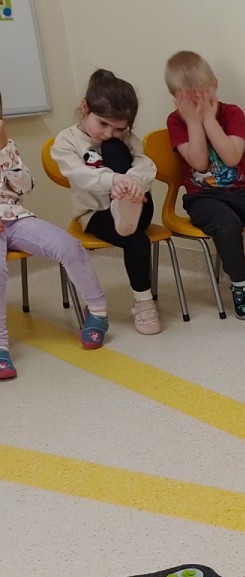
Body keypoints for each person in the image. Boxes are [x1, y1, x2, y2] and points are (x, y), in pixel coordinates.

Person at [164, 50, 245, 322]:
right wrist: (194, 122)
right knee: (227, 225)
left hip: (243, 191)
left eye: (204, 94)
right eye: (190, 98)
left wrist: (209, 120)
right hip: (203, 197)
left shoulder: (232, 113)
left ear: (214, 86)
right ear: (176, 98)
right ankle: (240, 287)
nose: (198, 103)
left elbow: (232, 157)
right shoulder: (176, 121)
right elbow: (199, 163)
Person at [1, 90, 111, 377]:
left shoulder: (7, 145)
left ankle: (97, 312)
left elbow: (25, 187)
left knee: (69, 245)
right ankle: (0, 346)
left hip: (14, 217)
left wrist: (4, 151)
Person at [50, 68, 161, 339]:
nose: (109, 133)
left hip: (137, 207)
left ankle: (125, 206)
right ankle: (144, 301)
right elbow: (79, 174)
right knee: (136, 240)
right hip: (95, 213)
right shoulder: (67, 141)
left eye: (120, 128)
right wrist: (114, 181)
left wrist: (132, 181)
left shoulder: (124, 138)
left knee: (115, 149)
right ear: (84, 108)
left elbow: (146, 164)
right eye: (102, 124)